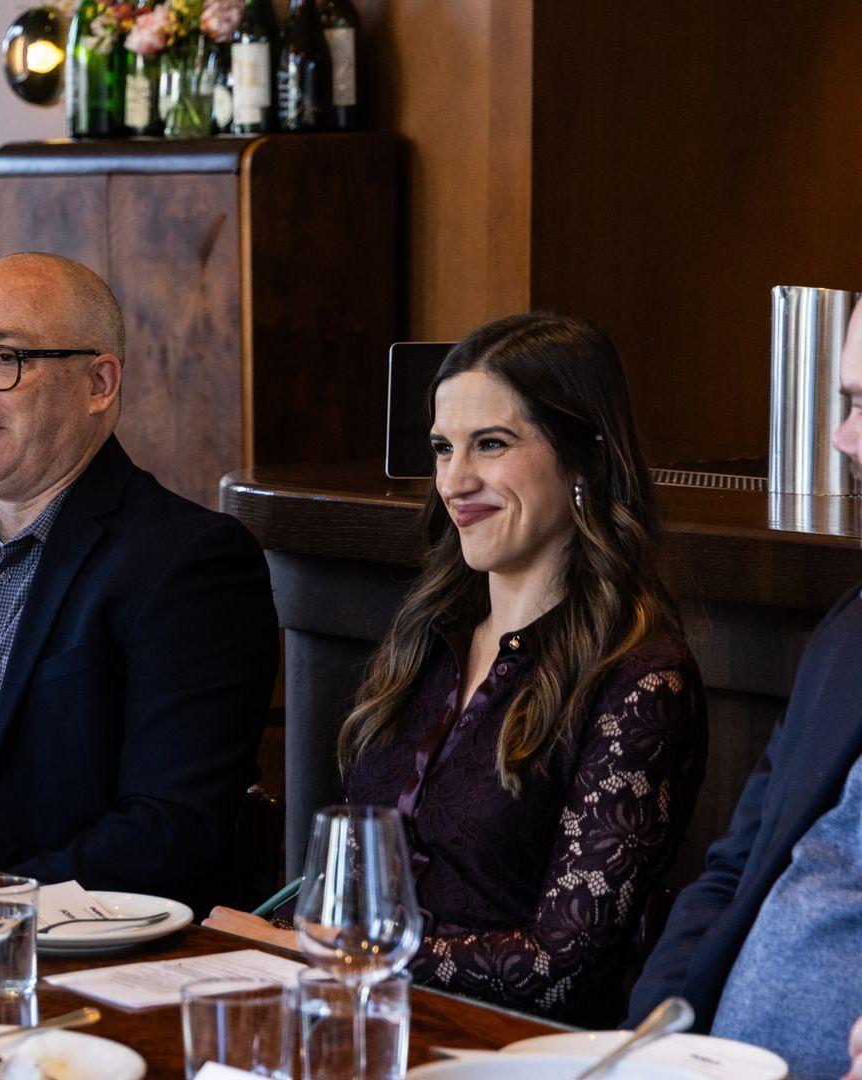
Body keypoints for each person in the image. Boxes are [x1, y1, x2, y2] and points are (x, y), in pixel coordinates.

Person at [205, 313, 707, 1025]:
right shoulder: (424, 636)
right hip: (349, 1018)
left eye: (491, 445)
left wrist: (330, 950)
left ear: (585, 459)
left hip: (507, 1053)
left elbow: (560, 971)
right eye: (443, 448)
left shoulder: (642, 679)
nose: (455, 479)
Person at [0, 252, 279, 908]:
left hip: (45, 936)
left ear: (99, 383)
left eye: (4, 359)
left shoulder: (188, 563)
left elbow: (169, 833)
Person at [630, 301, 862, 1078]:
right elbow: (733, 870)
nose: (844, 438)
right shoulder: (850, 633)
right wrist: (648, 1040)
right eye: (847, 403)